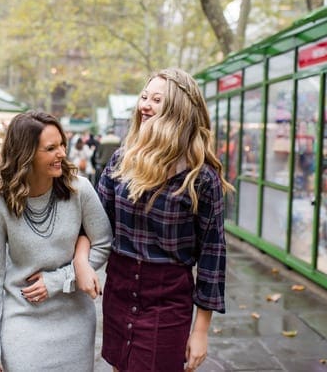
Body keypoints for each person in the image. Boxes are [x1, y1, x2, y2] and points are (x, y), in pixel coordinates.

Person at [76, 68, 232, 372]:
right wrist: (82, 262)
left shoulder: (201, 179)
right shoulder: (123, 159)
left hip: (168, 300)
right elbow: (92, 221)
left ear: (179, 110)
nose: (144, 105)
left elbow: (213, 256)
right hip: (119, 290)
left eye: (157, 100)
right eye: (144, 97)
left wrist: (200, 332)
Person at [0, 111, 112, 372]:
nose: (61, 153)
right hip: (22, 320)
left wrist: (59, 279)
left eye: (62, 145)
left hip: (75, 322)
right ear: (26, 155)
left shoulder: (79, 190)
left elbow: (103, 242)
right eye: (50, 148)